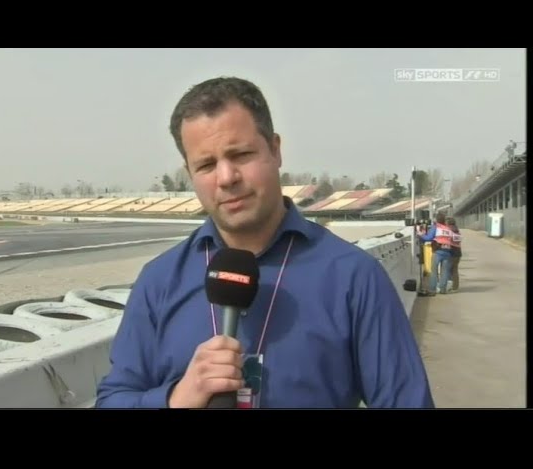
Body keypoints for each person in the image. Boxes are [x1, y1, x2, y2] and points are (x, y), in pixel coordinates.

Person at [95, 76, 434, 408]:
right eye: (207, 165)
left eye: (241, 154)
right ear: (190, 173)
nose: (226, 178)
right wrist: (174, 400)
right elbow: (113, 398)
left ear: (275, 150)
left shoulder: (354, 276)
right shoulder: (159, 281)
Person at [420, 212, 453, 295]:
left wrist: (420, 235)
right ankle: (443, 289)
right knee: (445, 272)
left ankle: (432, 290)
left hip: (438, 251)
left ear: (437, 219)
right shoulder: (448, 228)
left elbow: (428, 238)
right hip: (447, 251)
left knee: (433, 271)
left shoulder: (436, 227)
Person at [446, 216, 462, 292]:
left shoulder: (449, 230)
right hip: (458, 252)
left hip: (451, 251)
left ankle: (449, 286)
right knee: (455, 270)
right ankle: (455, 287)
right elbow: (458, 241)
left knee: (448, 270)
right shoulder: (457, 230)